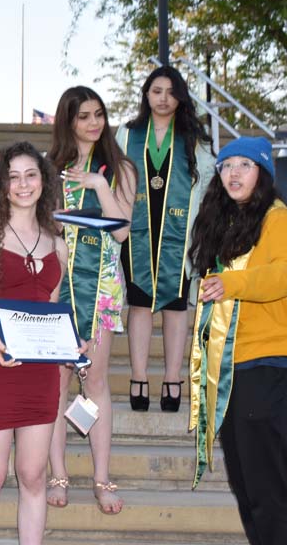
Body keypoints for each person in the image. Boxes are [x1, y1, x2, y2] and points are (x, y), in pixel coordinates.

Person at [188, 137, 287, 545]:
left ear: (262, 173)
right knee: (250, 494)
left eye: (245, 165)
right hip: (237, 371)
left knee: (269, 497)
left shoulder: (278, 220)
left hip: (276, 368)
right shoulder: (230, 225)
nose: (234, 173)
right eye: (227, 165)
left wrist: (232, 283)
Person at [0, 142, 77, 545]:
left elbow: (52, 309)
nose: (23, 184)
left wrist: (70, 346)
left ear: (44, 181)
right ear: (0, 185)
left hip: (39, 376)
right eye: (13, 177)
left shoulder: (58, 243)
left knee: (33, 474)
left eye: (31, 175)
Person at [46, 86, 135, 515]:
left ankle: (102, 478)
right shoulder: (50, 170)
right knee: (56, 385)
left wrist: (100, 184)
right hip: (56, 288)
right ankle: (58, 475)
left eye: (98, 114)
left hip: (100, 289)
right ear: (69, 121)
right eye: (83, 116)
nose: (93, 123)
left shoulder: (120, 169)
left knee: (94, 383)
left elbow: (121, 231)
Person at [116, 66, 215, 412]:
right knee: (140, 304)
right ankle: (139, 375)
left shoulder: (194, 137)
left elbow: (205, 187)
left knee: (175, 305)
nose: (163, 98)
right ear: (146, 94)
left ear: (180, 98)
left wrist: (203, 235)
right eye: (156, 91)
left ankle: (173, 378)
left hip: (180, 234)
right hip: (137, 232)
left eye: (170, 92)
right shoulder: (127, 134)